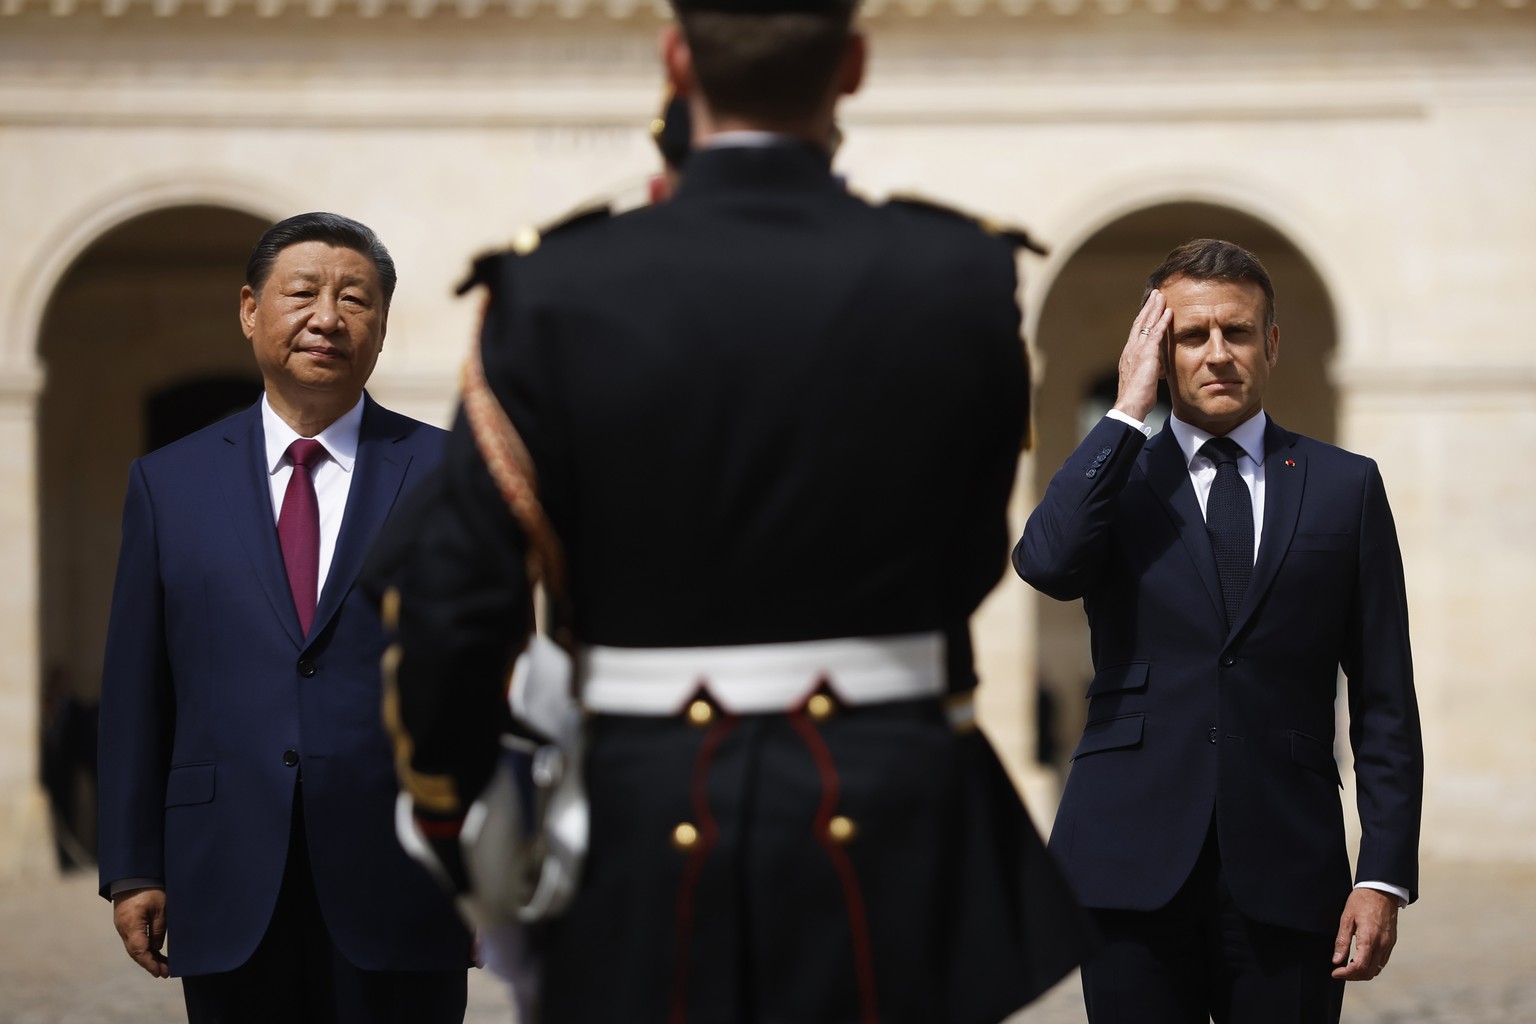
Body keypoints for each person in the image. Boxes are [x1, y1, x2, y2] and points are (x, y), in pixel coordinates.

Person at [365, 0, 1093, 1021]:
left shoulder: (552, 287)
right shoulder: (961, 274)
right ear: (852, 65)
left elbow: (453, 598)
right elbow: (974, 550)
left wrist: (452, 819)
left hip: (641, 820)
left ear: (676, 56)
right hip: (895, 815)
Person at [1014, 239, 1424, 1024]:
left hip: (1290, 864)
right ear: (1156, 349)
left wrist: (1383, 874)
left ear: (1270, 343)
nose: (1216, 354)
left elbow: (1384, 697)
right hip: (1126, 858)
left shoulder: (1347, 486)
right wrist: (1127, 412)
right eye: (1190, 336)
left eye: (1236, 332)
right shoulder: (1117, 474)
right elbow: (1047, 563)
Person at [97, 212, 470, 1023]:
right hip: (225, 872)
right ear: (249, 310)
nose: (326, 319)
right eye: (302, 294)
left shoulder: (449, 475)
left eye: (354, 300)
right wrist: (132, 867)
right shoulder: (169, 484)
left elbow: (488, 674)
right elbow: (136, 686)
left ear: (380, 326)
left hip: (406, 877)